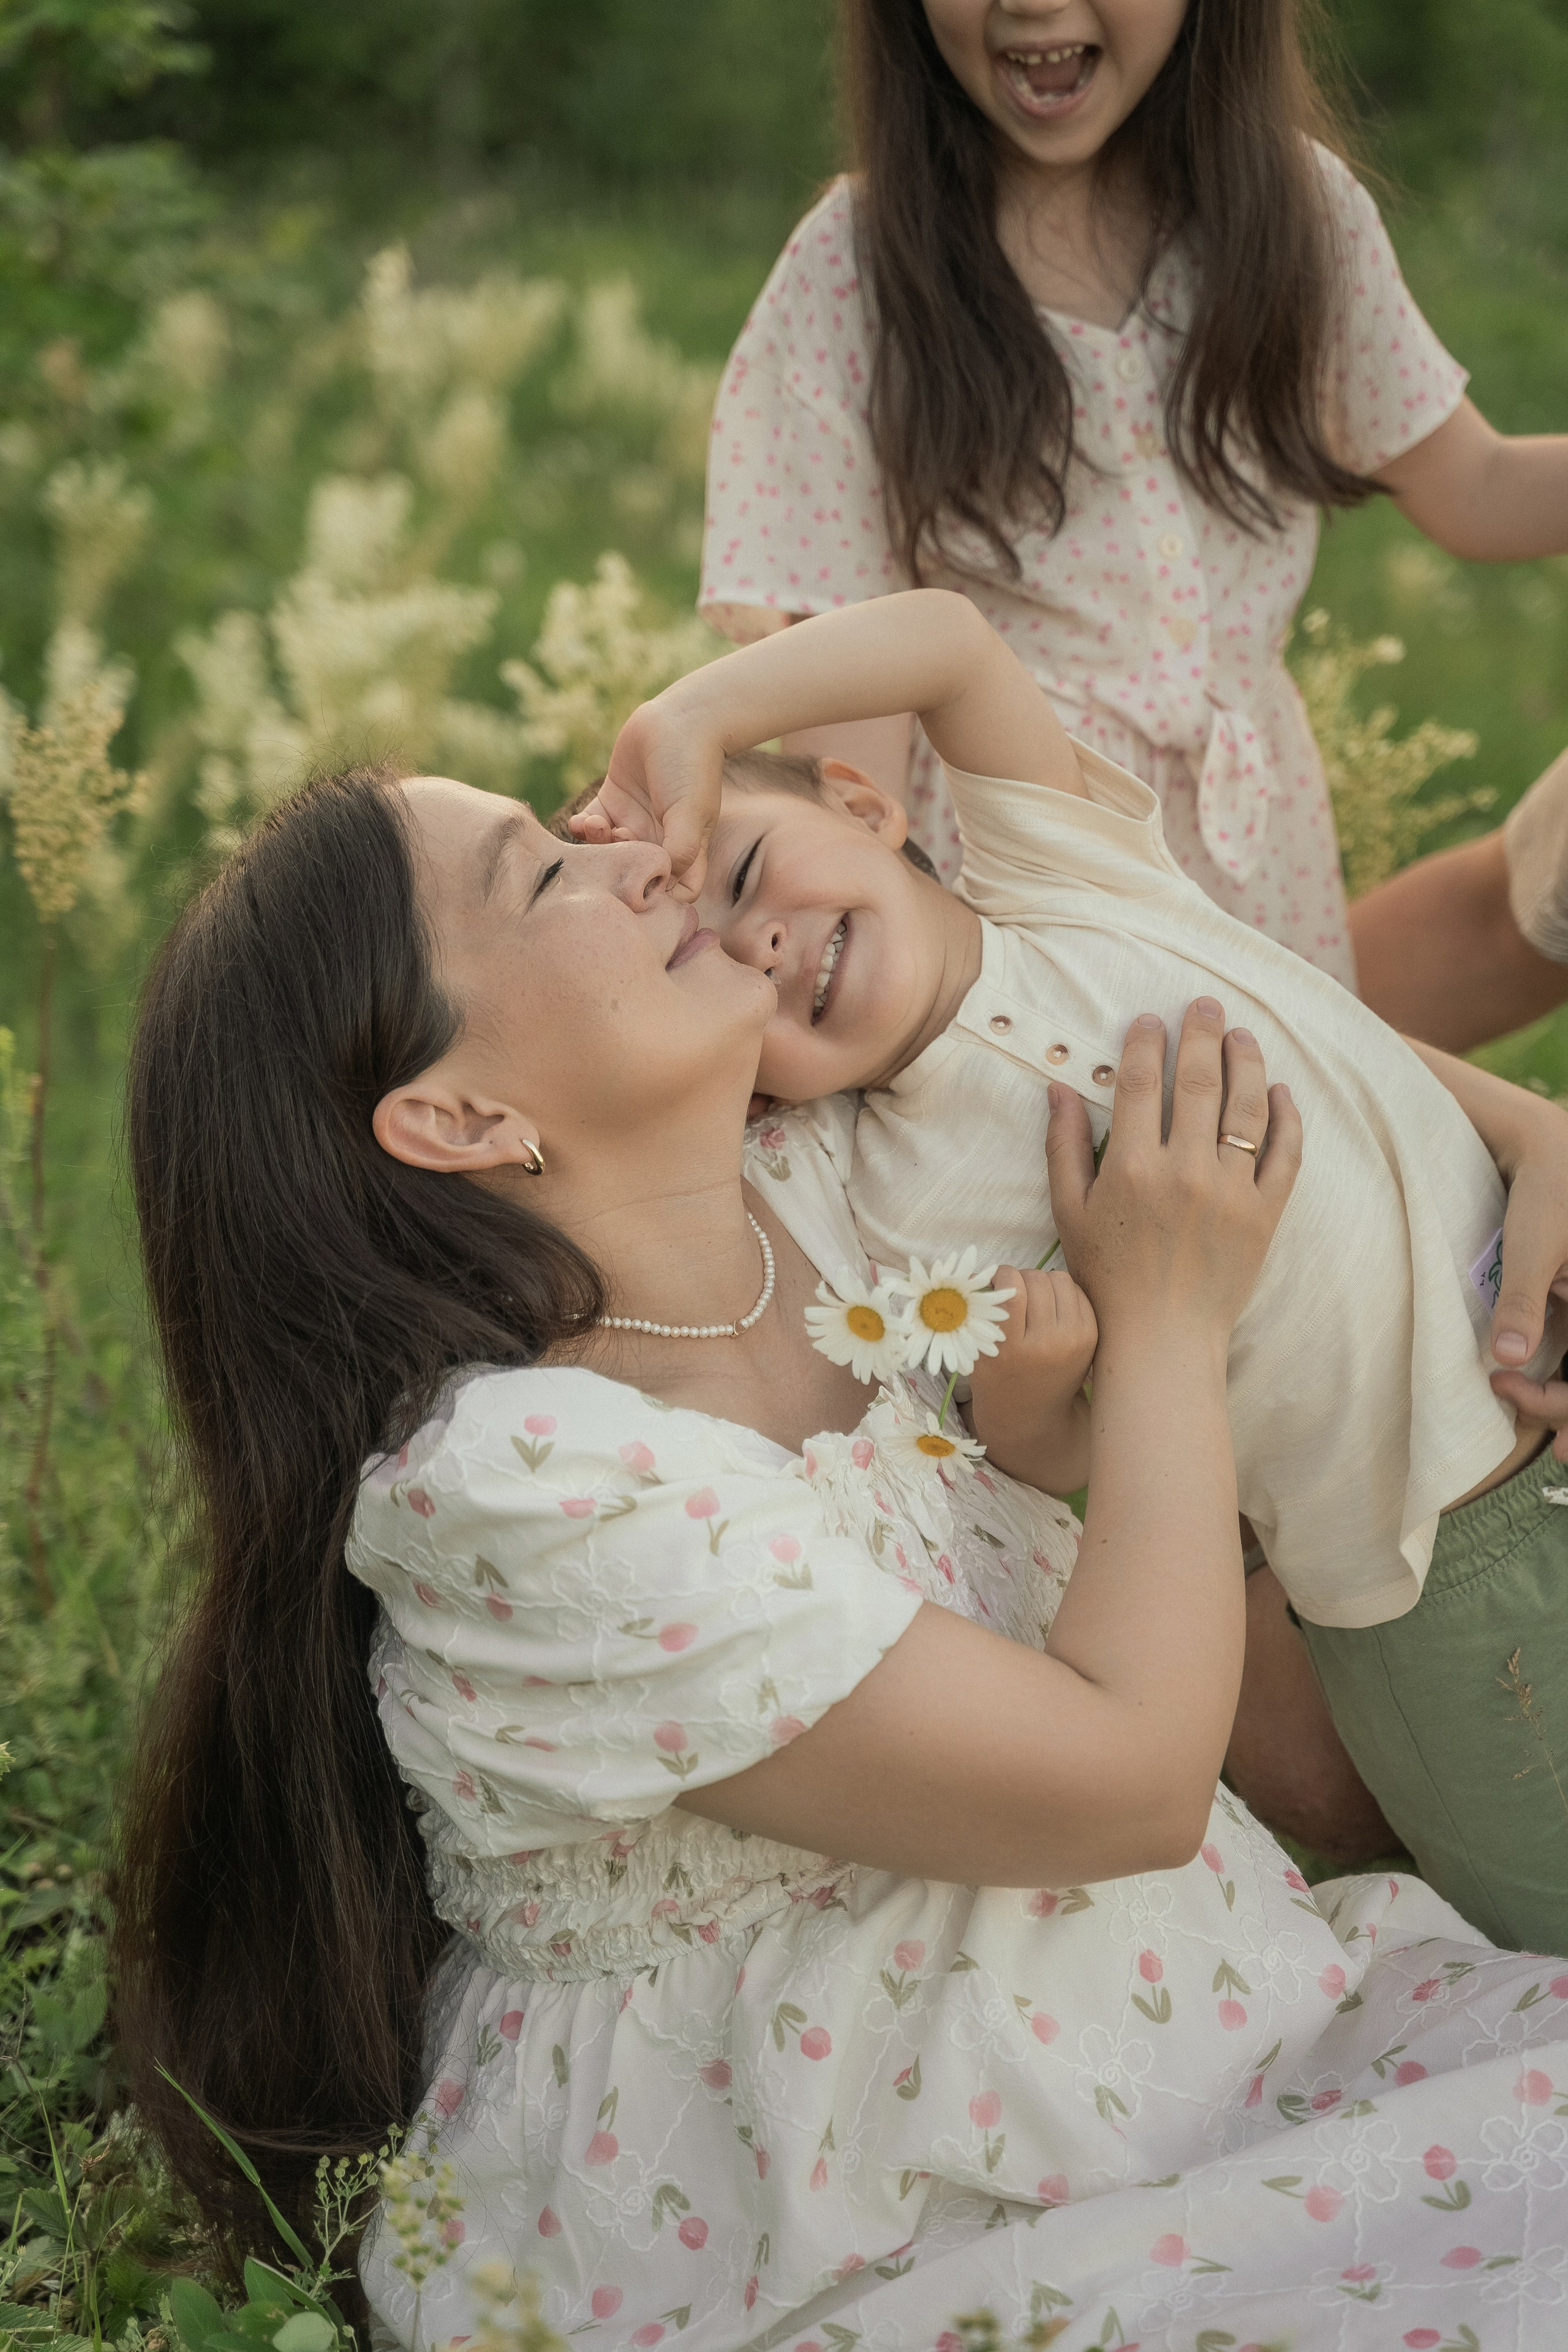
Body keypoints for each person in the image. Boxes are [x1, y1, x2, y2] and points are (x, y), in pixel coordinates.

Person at [116, 762, 1568, 2350]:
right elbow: (1133, 1782)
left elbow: (1150, 1017)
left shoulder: (826, 1192)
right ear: (461, 1115)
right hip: (857, 2213)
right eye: (546, 880)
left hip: (1197, 2026)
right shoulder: (529, 1492)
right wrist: (1163, 1319)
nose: (640, 865)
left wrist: (1521, 1122)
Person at [572, 586, 1568, 1950]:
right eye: (721, 975)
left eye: (745, 877)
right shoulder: (893, 1213)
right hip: (1426, 1575)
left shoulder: (1054, 868)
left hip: (1541, 1332)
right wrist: (1036, 1390)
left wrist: (690, 715)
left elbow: (947, 642)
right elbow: (1039, 1464)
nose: (761, 943)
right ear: (756, 1101)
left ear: (866, 807)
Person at [698, 0, 1568, 1050]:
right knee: (1064, 1173)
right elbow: (855, 737)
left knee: (1279, 1139)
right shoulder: (859, 267)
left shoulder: (1294, 214)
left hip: (1256, 856)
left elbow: (1474, 485)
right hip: (1015, 874)